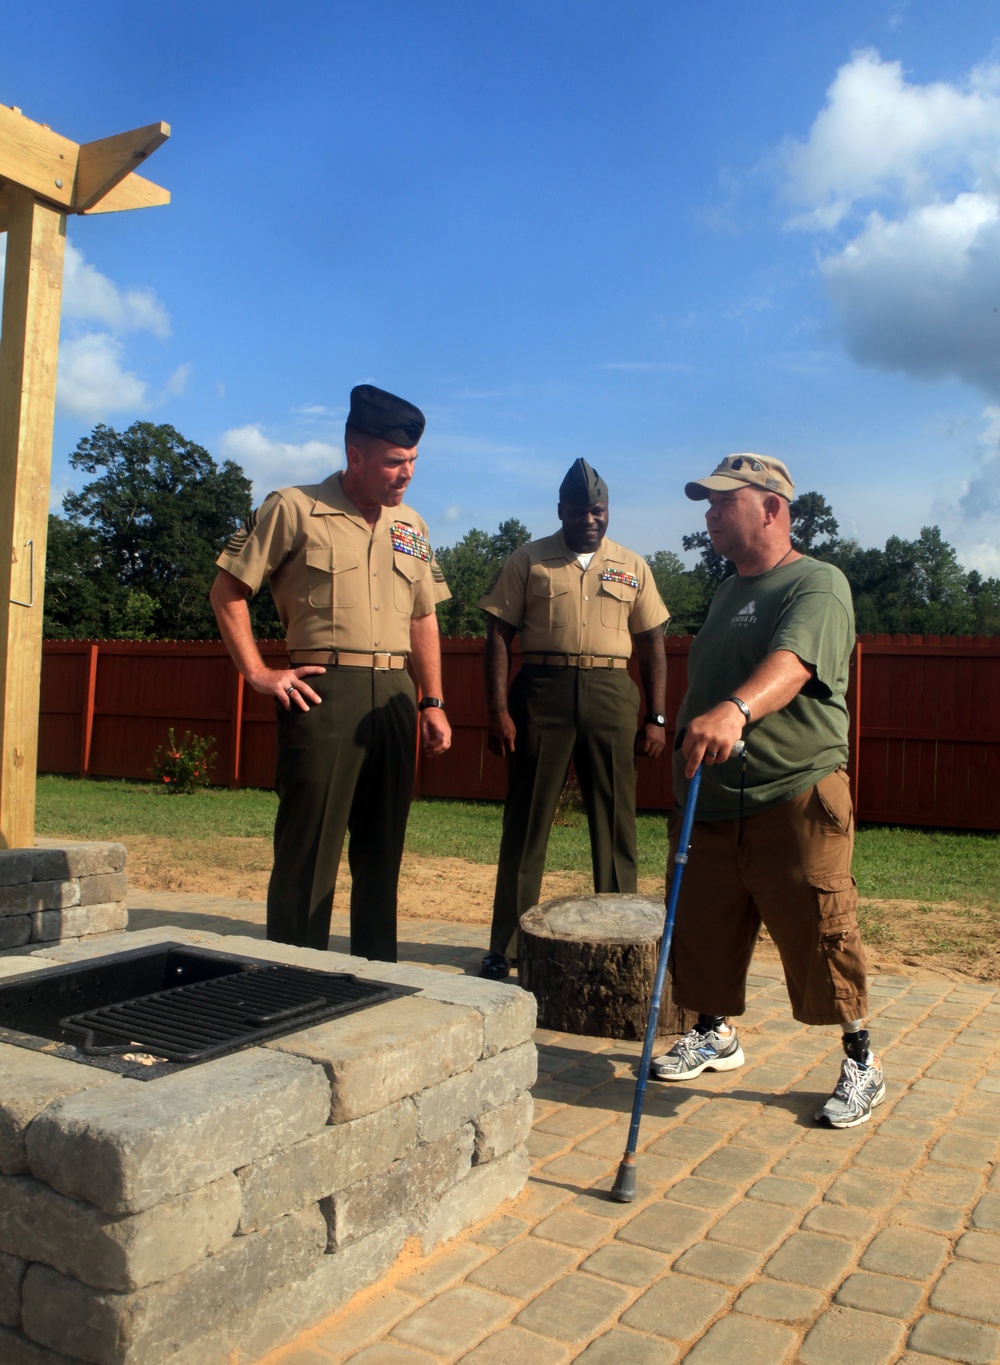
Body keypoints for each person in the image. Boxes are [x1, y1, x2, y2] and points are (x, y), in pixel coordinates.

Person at [651, 453, 884, 1128]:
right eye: (708, 502)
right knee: (702, 928)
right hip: (713, 800)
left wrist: (736, 709)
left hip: (794, 794)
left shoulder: (817, 582)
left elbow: (793, 663)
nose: (710, 514)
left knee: (821, 929)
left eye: (725, 502)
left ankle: (861, 1060)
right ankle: (715, 1032)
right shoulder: (726, 590)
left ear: (772, 508)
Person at [210, 384, 451, 963]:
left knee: (382, 850)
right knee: (308, 850)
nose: (407, 474)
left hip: (394, 697)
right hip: (322, 694)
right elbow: (227, 590)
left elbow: (423, 615)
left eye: (414, 462)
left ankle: (375, 977)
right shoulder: (293, 508)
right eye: (395, 462)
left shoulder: (411, 524)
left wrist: (433, 700)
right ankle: (293, 978)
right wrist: (259, 673)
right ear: (356, 455)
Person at [477, 458, 669, 980]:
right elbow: (498, 635)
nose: (591, 519)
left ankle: (619, 942)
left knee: (615, 822)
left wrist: (656, 716)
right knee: (527, 820)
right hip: (542, 691)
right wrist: (497, 709)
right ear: (561, 510)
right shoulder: (529, 560)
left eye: (599, 510)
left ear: (608, 512)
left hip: (611, 691)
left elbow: (653, 643)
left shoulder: (631, 565)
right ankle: (508, 945)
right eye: (581, 510)